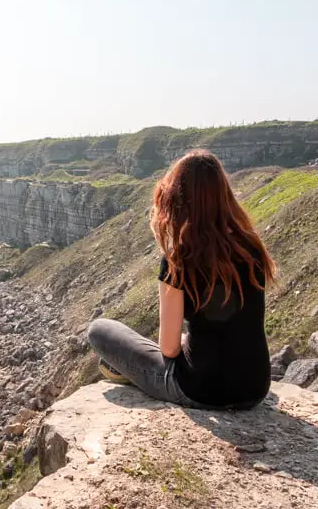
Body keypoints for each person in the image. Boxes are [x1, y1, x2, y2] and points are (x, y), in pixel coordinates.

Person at [88, 150, 276, 409]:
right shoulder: (251, 248)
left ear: (178, 199)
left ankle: (129, 374)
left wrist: (186, 342)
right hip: (255, 389)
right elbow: (238, 327)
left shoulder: (180, 259)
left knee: (99, 330)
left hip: (199, 390)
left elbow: (169, 350)